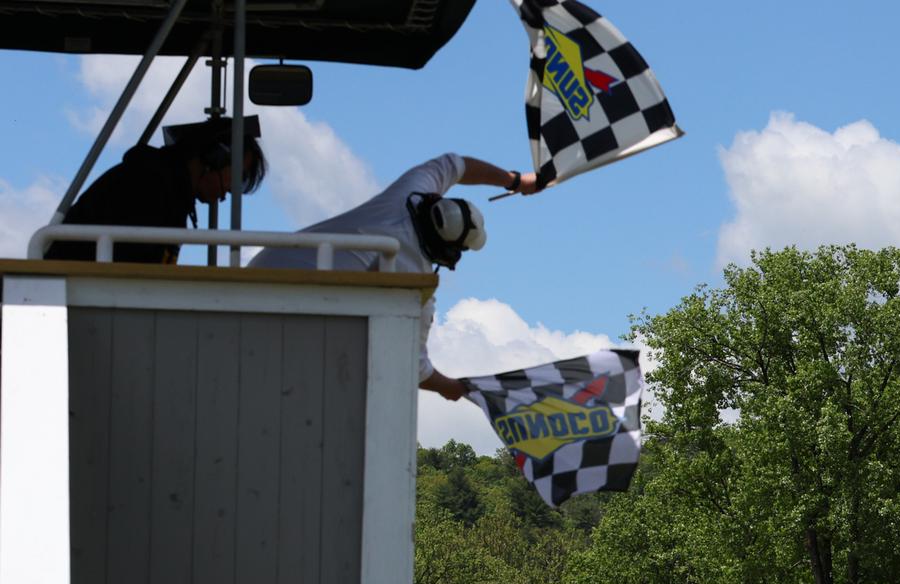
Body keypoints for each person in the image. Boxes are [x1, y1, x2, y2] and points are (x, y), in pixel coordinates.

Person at [250, 153, 537, 399]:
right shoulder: (414, 285)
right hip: (287, 334)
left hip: (252, 277)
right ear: (449, 251)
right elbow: (415, 367)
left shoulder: (408, 193)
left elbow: (457, 164)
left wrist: (515, 181)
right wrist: (451, 388)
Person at [45, 117, 268, 264]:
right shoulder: (148, 187)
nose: (229, 191)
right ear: (214, 157)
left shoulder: (166, 185)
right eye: (237, 177)